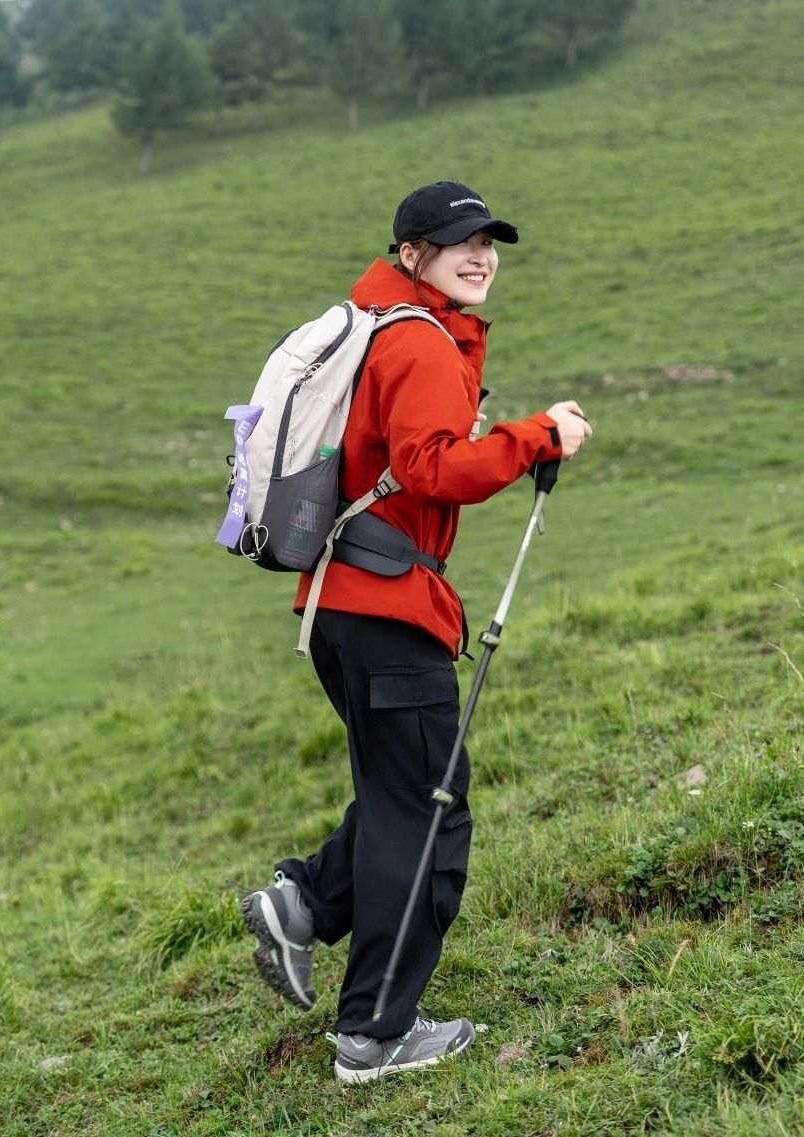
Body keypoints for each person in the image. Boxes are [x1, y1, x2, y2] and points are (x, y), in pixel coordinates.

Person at [241, 181, 591, 1083]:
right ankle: (374, 1033)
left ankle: (305, 904)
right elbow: (434, 469)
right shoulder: (421, 341)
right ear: (411, 254)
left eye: (488, 241)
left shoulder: (380, 327)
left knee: (403, 791)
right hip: (388, 609)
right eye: (458, 242)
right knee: (428, 812)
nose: (479, 256)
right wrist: (537, 435)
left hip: (342, 605)